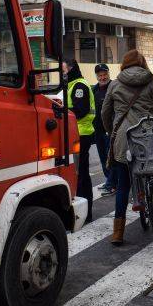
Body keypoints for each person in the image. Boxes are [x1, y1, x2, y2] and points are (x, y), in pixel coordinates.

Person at [101, 50, 153, 245]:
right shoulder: (151, 83)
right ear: (142, 63)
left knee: (123, 185)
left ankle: (118, 233)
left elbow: (105, 113)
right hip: (149, 139)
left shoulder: (114, 84)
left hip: (124, 139)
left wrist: (111, 130)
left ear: (124, 63)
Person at [63, 59, 96, 223]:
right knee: (76, 173)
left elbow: (81, 111)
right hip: (74, 134)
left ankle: (87, 212)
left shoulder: (79, 86)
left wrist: (61, 109)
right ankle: (79, 210)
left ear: (71, 68)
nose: (62, 72)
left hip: (81, 134)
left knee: (81, 174)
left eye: (64, 69)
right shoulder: (71, 84)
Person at [92, 63, 116, 196]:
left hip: (111, 130)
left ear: (108, 74)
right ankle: (109, 180)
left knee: (110, 157)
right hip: (98, 130)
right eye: (100, 75)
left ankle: (112, 184)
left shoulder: (114, 87)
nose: (102, 77)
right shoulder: (94, 90)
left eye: (104, 74)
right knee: (102, 157)